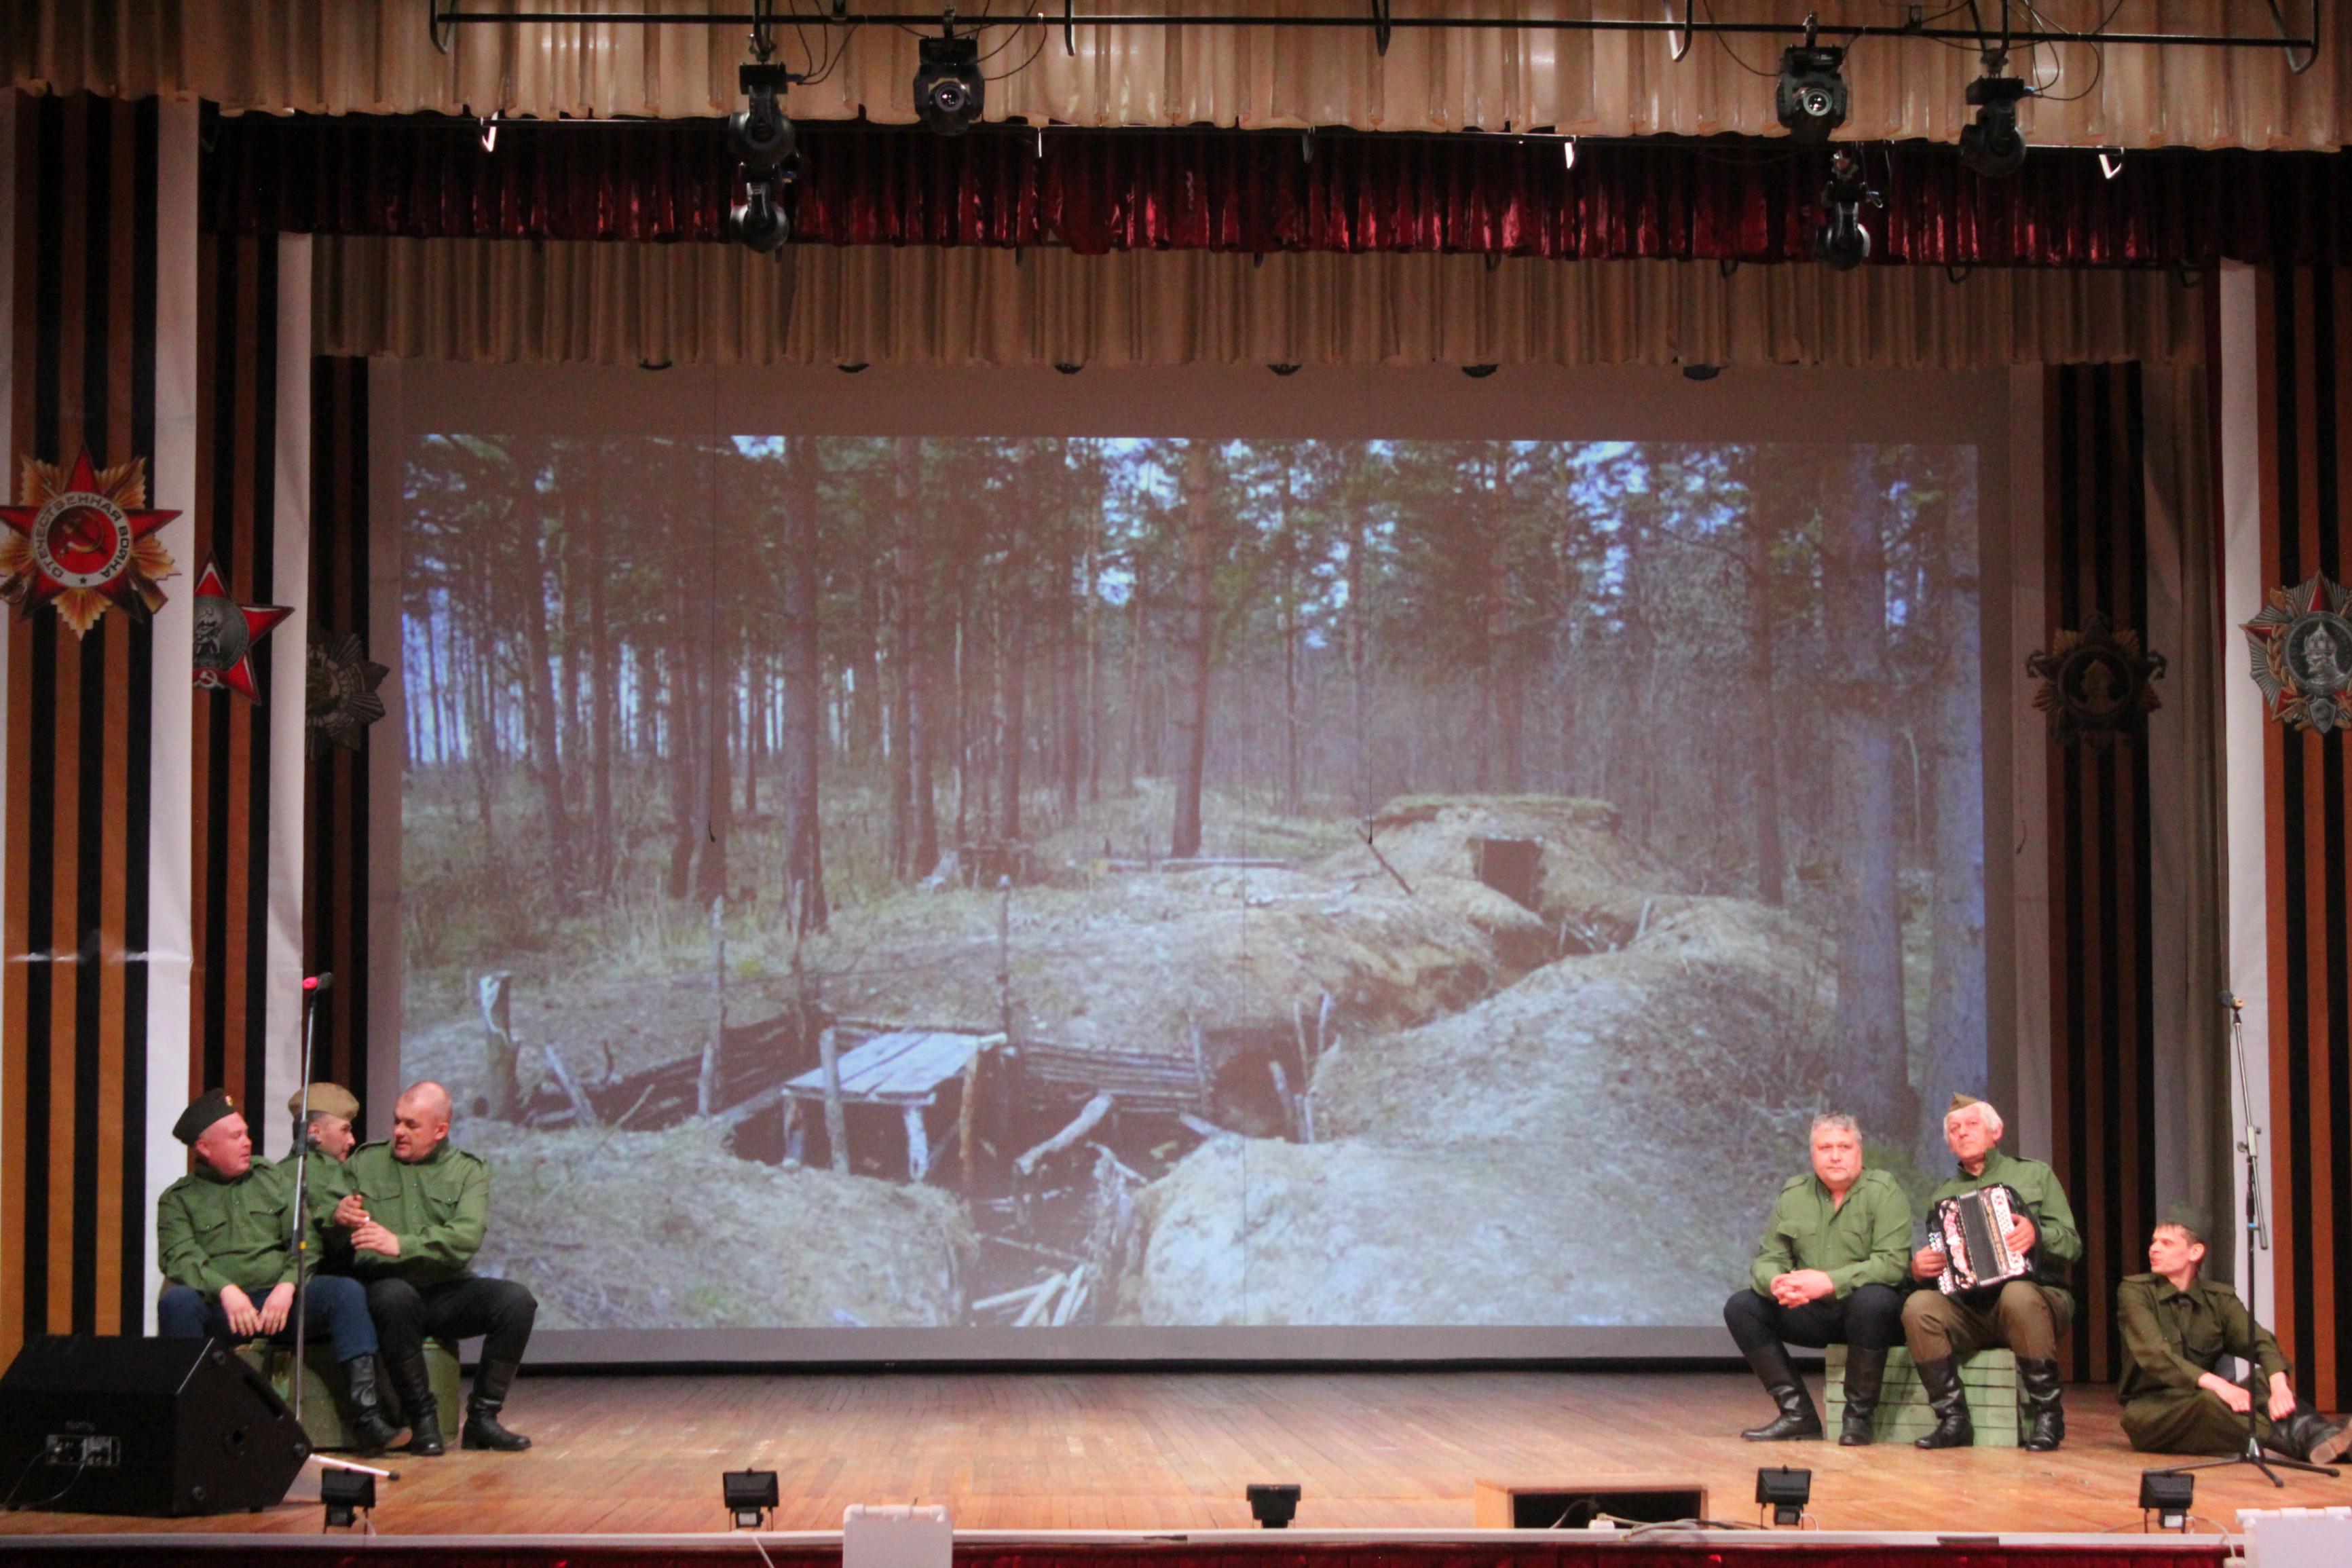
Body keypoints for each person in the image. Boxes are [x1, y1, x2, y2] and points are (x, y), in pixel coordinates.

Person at [155, 1089, 399, 1455]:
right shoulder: (178, 1199)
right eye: (235, 1137)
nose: (247, 1142)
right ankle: (195, 1427)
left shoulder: (272, 1179)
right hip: (224, 1309)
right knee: (177, 1302)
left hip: (279, 1304)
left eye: (246, 1133)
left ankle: (367, 1417)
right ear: (204, 1148)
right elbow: (178, 1256)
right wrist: (225, 1290)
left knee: (344, 1293)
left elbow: (306, 1240)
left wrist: (288, 1285)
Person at [320, 1080, 537, 1456]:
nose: (399, 1132)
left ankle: (484, 1418)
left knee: (517, 1302)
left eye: (411, 1125)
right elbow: (329, 1227)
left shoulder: (468, 1171)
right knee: (392, 1296)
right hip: (388, 1292)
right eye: (397, 1122)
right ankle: (422, 1419)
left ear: (441, 1130)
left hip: (445, 1290)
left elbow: (465, 1238)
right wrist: (336, 1218)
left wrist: (401, 1244)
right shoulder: (366, 1163)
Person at [1901, 1093, 2082, 1452]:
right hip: (1972, 1309)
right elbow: (1943, 1270)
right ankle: (1953, 1420)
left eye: (1972, 1125)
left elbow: (2073, 1245)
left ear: (1995, 1131)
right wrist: (1920, 1270)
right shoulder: (1942, 1196)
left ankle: (2048, 1415)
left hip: (2037, 1299)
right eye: (1955, 1130)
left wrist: (2037, 1234)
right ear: (1949, 1143)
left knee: (2016, 1293)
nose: (1963, 1133)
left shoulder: (2033, 1174)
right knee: (1919, 1306)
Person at [1723, 1113, 1913, 1444]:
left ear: (1859, 1152)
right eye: (1825, 1148)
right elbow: (1768, 1258)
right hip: (1813, 1311)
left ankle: (1857, 1419)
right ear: (1813, 1154)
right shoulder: (1794, 1194)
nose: (1835, 1155)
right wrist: (1778, 1283)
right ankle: (1798, 1415)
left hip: (1869, 1317)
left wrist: (1828, 1281)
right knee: (1742, 1306)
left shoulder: (1884, 1190)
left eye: (1844, 1146)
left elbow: (1893, 1264)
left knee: (1875, 1299)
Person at [2116, 1203, 2351, 1463]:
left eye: (2167, 1243)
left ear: (2195, 1252)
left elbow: (2259, 1341)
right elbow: (2155, 1355)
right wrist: (2221, 1386)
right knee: (2210, 1401)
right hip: (2152, 1411)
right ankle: (2312, 1440)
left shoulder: (2219, 1299)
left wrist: (2279, 1386)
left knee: (2261, 1382)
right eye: (2154, 1241)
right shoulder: (2135, 1292)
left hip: (2203, 1400)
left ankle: (2323, 1439)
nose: (2154, 1249)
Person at [289, 1082, 362, 1164]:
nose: (352, 1141)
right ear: (315, 1132)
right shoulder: (333, 1175)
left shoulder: (278, 1174)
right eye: (344, 1130)